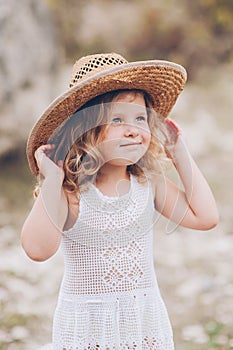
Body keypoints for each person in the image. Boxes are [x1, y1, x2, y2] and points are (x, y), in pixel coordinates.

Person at [21, 53, 218, 350]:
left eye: (140, 118)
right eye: (117, 119)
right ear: (85, 131)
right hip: (88, 329)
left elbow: (205, 217)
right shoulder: (70, 192)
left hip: (142, 322)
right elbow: (36, 250)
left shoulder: (146, 184)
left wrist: (179, 153)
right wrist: (51, 181)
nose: (133, 129)